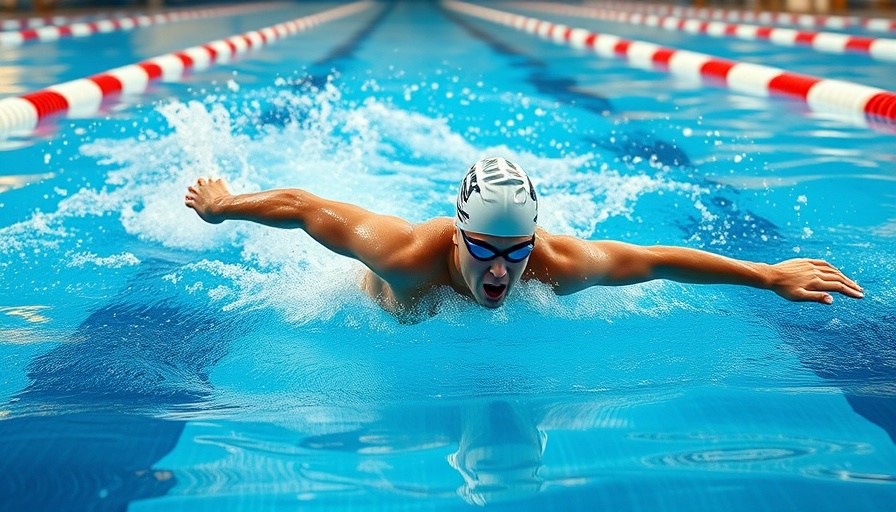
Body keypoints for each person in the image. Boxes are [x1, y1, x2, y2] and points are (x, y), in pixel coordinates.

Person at [184, 157, 863, 318]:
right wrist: (223, 208)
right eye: (485, 249)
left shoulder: (553, 263)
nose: (503, 270)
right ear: (457, 236)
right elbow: (305, 205)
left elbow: (656, 261)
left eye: (516, 250)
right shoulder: (401, 254)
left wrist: (767, 274)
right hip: (375, 309)